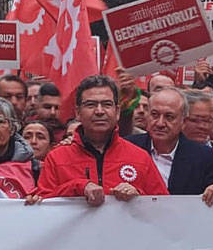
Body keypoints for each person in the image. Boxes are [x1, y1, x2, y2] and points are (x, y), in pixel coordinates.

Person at [35, 76, 168, 203]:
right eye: (91, 105)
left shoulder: (140, 158)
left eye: (106, 104)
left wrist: (139, 197)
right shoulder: (56, 158)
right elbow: (43, 205)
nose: (99, 111)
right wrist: (78, 187)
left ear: (117, 112)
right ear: (78, 113)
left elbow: (164, 206)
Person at [126, 88, 213, 195]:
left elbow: (211, 195)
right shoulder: (129, 148)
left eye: (169, 117)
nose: (160, 123)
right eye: (155, 115)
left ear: (183, 121)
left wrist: (212, 193)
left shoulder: (203, 157)